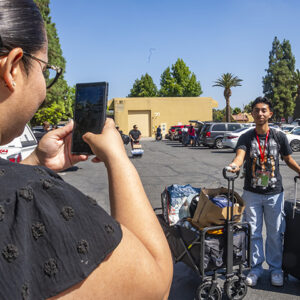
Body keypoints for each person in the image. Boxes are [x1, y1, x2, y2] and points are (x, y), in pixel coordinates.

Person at [0, 1, 173, 299]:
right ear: (13, 67)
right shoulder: (31, 199)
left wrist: (34, 161)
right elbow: (155, 280)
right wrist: (117, 158)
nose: (45, 86)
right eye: (45, 70)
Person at [228, 97, 300, 287]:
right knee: (254, 232)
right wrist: (234, 166)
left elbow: (288, 159)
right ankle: (256, 268)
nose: (260, 114)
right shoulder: (246, 137)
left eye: (263, 110)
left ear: (270, 114)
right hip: (251, 193)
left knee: (276, 233)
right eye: (256, 110)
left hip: (274, 194)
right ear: (252, 113)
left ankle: (275, 269)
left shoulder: (279, 136)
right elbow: (240, 156)